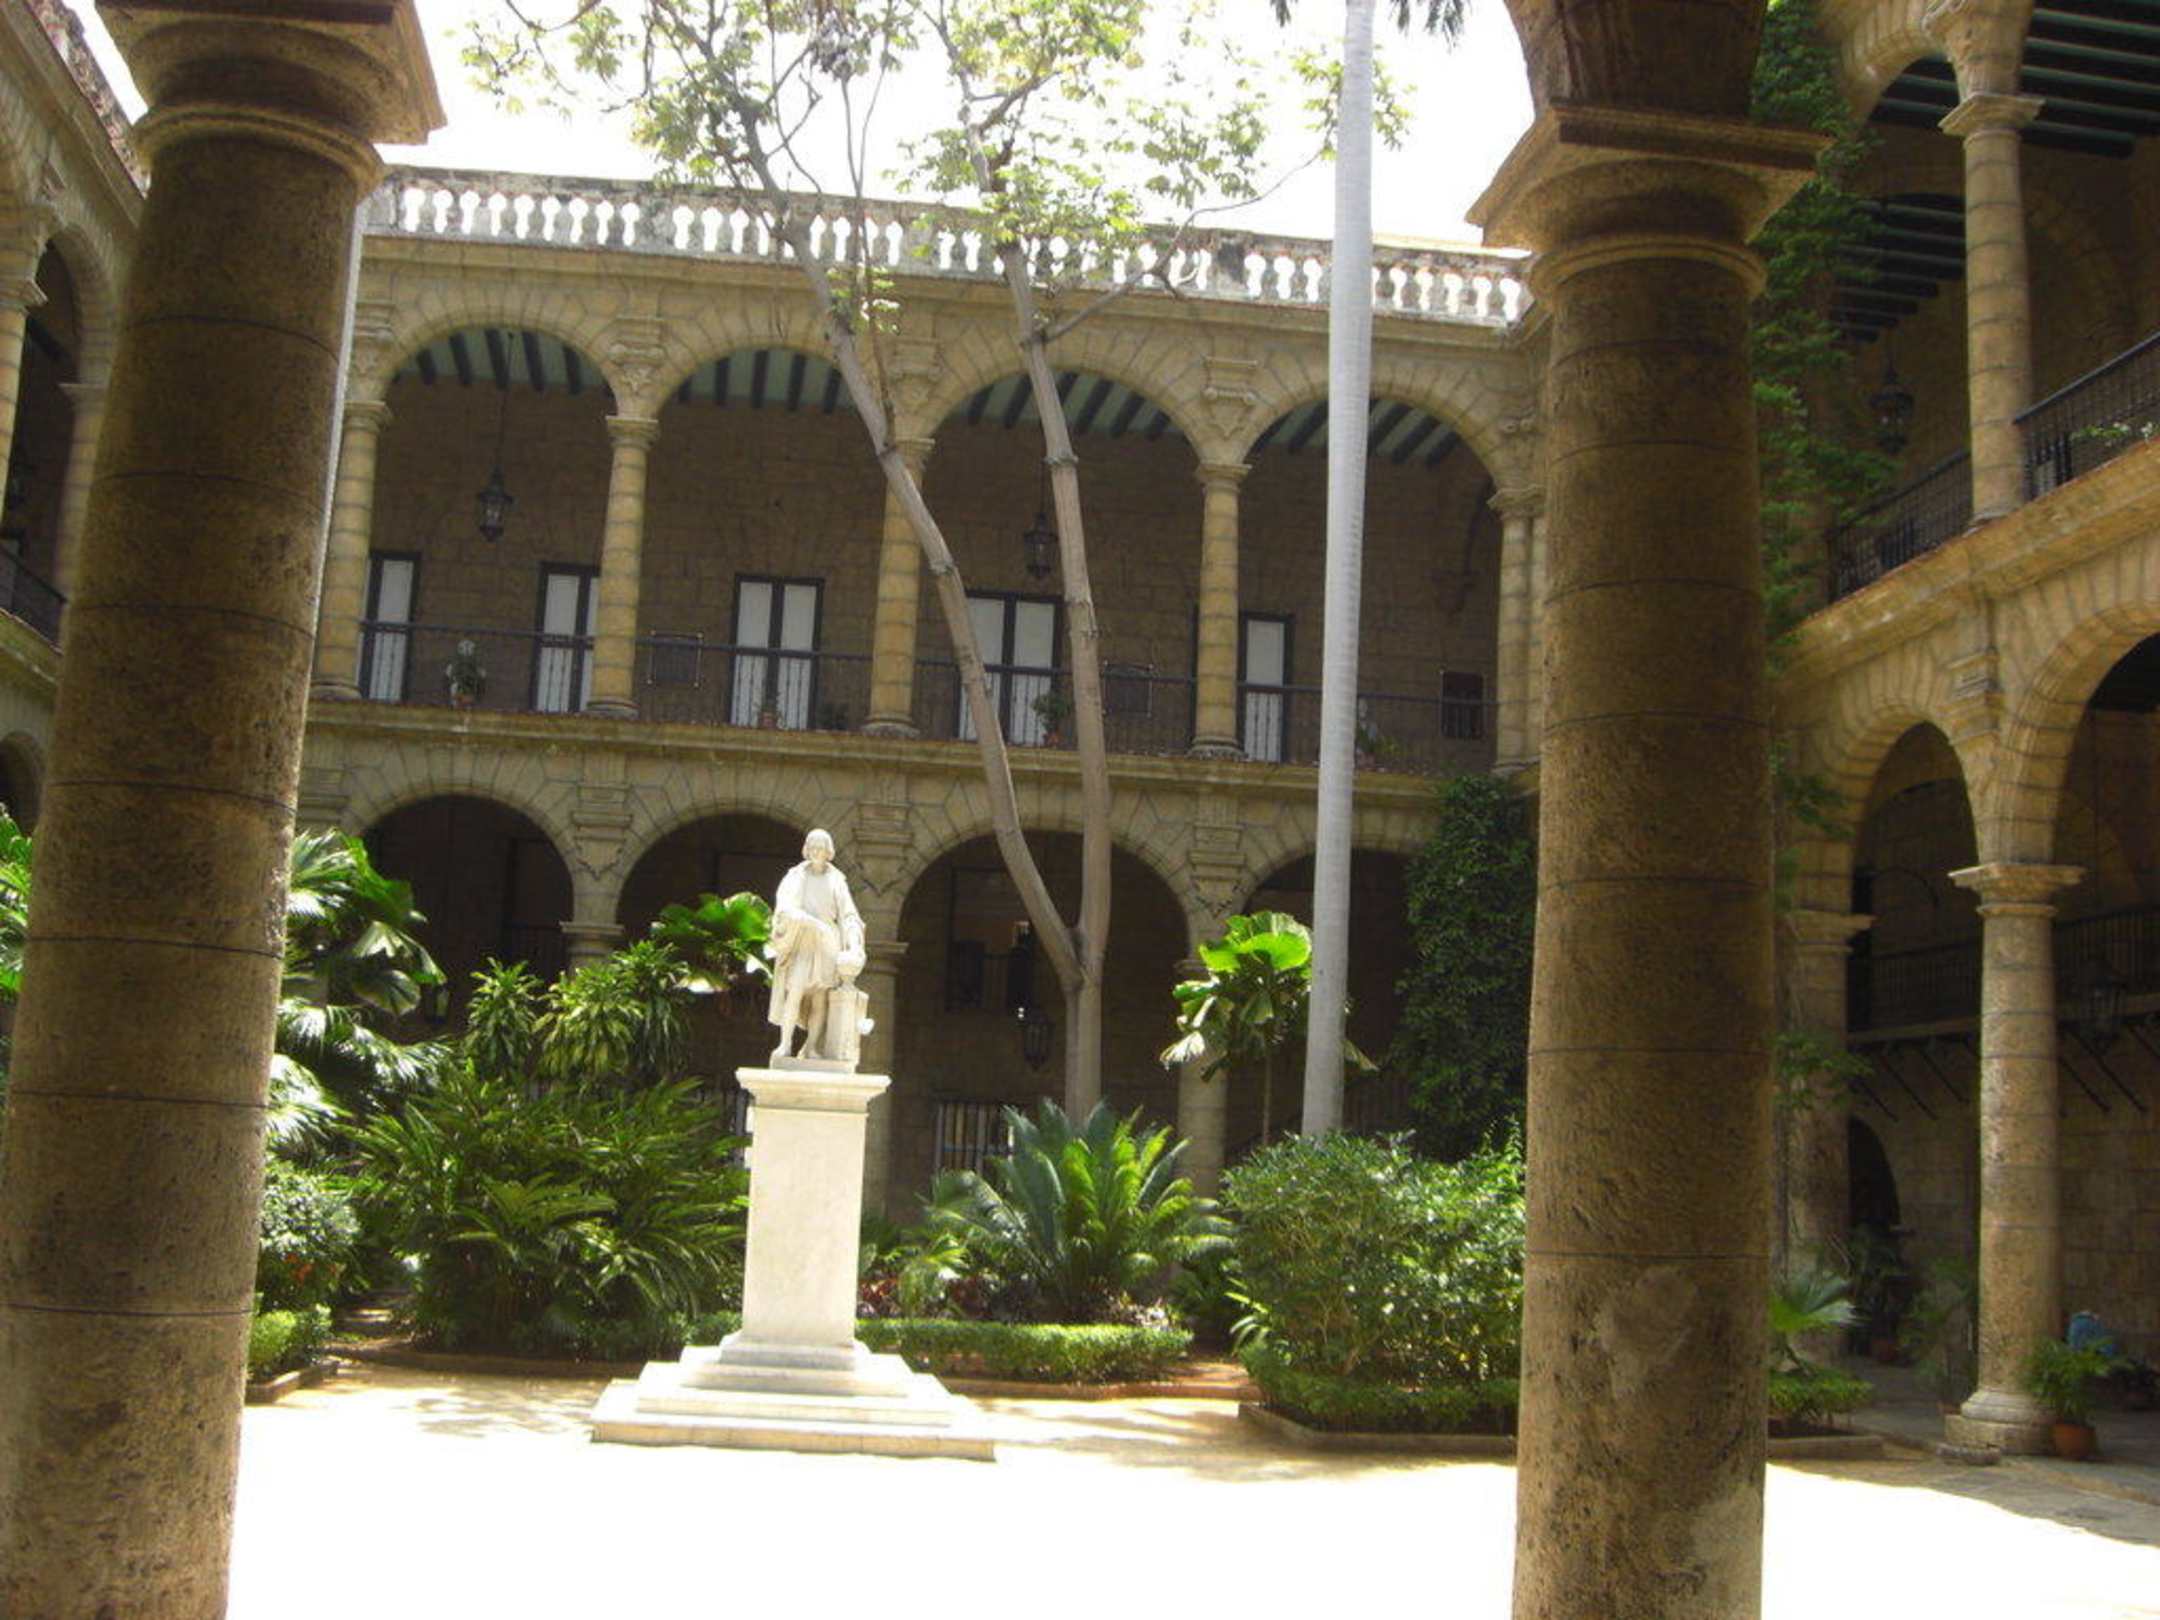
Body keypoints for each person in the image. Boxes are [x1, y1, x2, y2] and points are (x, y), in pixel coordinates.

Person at [766, 828, 865, 1063]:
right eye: (812, 847)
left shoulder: (837, 880)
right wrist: (809, 921)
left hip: (828, 941)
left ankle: (810, 1046)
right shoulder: (795, 876)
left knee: (821, 997)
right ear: (806, 849)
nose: (816, 852)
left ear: (828, 851)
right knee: (795, 990)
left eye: (821, 848)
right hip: (802, 938)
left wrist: (854, 945)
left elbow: (849, 915)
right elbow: (784, 908)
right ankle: (785, 1043)